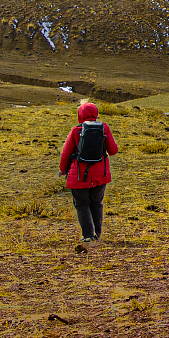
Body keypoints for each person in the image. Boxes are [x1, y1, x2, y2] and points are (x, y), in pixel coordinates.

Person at [58, 101, 118, 243]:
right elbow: (113, 150)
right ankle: (97, 234)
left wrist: (62, 169)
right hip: (100, 175)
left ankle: (88, 235)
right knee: (96, 203)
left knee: (81, 204)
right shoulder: (104, 128)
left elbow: (65, 154)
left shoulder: (75, 130)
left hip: (78, 175)